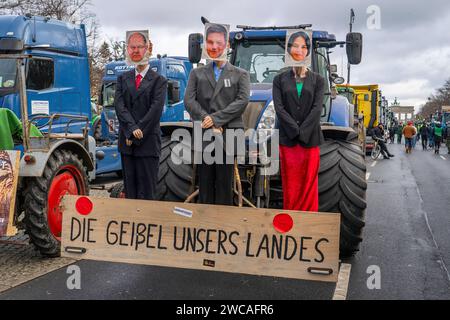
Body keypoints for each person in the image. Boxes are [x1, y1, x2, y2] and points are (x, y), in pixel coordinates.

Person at [184, 23, 250, 205]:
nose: (214, 47)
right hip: (205, 133)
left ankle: (223, 225)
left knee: (224, 183)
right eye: (210, 43)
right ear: (206, 45)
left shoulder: (240, 74)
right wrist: (209, 121)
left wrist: (216, 119)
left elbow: (242, 102)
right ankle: (205, 223)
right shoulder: (196, 74)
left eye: (219, 43)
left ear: (227, 45)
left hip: (229, 134)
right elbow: (189, 101)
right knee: (204, 182)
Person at [115, 32, 168, 200]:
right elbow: (120, 106)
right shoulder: (122, 79)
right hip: (127, 144)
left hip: (147, 145)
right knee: (130, 192)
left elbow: (155, 111)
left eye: (140, 47)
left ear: (148, 50)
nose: (136, 51)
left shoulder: (159, 81)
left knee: (147, 192)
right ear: (128, 50)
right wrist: (131, 130)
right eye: (132, 47)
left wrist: (137, 133)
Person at [273, 60, 324, 211]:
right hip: (288, 139)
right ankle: (292, 218)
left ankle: (308, 219)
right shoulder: (279, 79)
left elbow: (317, 108)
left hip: (310, 138)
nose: (298, 53)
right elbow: (279, 108)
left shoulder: (318, 80)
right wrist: (294, 130)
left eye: (303, 48)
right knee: (291, 184)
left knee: (309, 183)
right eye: (295, 48)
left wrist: (302, 132)